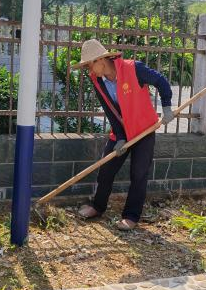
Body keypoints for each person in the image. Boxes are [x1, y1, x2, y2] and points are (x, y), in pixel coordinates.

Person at [71, 39, 174, 231]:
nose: (89, 71)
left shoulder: (133, 69)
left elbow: (161, 81)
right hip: (122, 131)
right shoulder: (97, 80)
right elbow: (110, 111)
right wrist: (120, 136)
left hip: (144, 130)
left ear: (101, 60)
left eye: (89, 65)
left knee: (139, 174)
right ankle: (97, 206)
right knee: (106, 170)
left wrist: (167, 107)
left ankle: (131, 216)